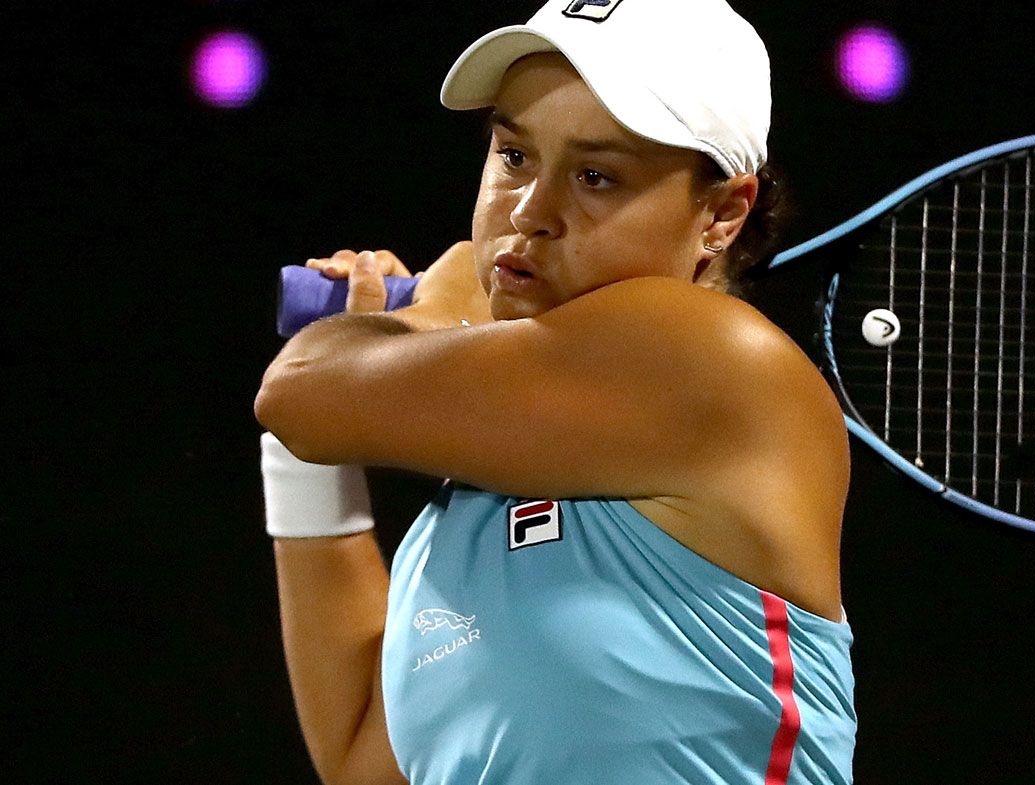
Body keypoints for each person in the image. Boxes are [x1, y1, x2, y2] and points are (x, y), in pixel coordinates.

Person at [255, 1, 856, 783]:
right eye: (513, 155)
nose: (530, 212)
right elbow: (365, 760)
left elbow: (303, 389)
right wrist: (307, 457)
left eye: (596, 175)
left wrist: (435, 312)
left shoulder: (714, 356)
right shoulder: (468, 511)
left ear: (721, 214)